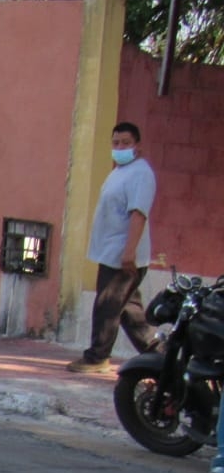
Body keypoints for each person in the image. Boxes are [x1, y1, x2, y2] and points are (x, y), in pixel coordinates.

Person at [66, 121, 162, 374]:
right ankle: (159, 353)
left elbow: (138, 214)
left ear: (137, 146)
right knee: (129, 311)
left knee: (107, 305)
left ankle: (98, 356)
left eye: (126, 143)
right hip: (109, 252)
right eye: (116, 143)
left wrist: (129, 252)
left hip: (122, 255)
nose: (119, 148)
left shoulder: (140, 173)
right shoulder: (118, 172)